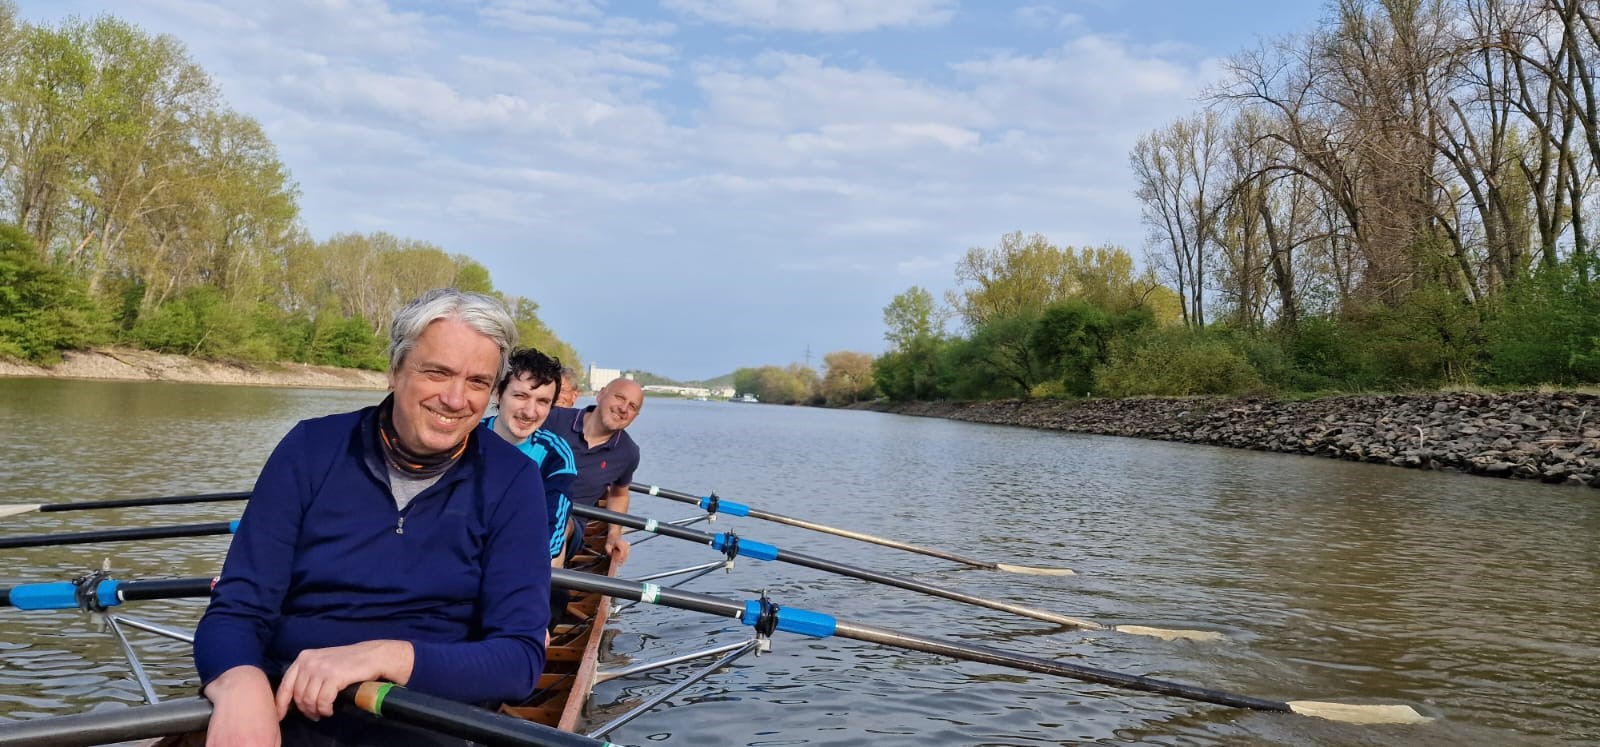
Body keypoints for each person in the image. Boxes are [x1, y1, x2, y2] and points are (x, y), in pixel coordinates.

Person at [194, 289, 550, 746]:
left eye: (478, 382)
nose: (455, 398)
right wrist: (237, 680)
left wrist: (386, 656)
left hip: (428, 717)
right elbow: (237, 609)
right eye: (437, 372)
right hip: (289, 703)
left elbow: (519, 659)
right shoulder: (310, 448)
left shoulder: (513, 479)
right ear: (395, 370)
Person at [484, 348, 575, 566]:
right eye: (520, 396)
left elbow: (552, 536)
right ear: (498, 393)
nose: (530, 412)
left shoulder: (556, 454)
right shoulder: (465, 437)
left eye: (542, 401)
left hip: (514, 560)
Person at [549, 378, 643, 567]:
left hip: (570, 522)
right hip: (526, 503)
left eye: (632, 406)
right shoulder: (554, 418)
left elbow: (619, 494)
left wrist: (614, 534)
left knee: (556, 523)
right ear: (601, 395)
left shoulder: (628, 452)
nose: (624, 408)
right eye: (619, 397)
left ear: (635, 416)